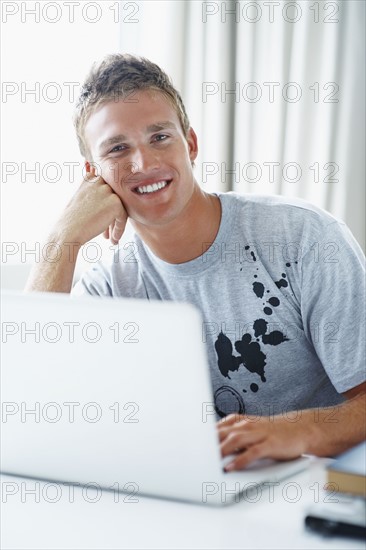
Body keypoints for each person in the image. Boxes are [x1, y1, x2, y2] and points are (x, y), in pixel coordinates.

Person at [26, 53, 366, 472]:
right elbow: (29, 403)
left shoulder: (303, 239)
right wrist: (62, 239)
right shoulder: (109, 286)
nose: (143, 163)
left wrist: (296, 432)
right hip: (195, 497)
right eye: (117, 148)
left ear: (190, 144)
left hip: (314, 492)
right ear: (93, 175)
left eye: (159, 137)